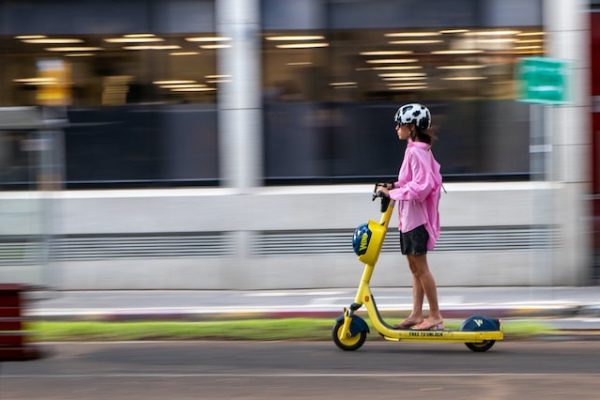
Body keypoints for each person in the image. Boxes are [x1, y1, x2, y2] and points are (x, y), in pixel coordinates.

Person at [375, 103, 444, 331]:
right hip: (408, 219)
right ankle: (416, 314)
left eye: (400, 124)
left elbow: (422, 186)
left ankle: (434, 315)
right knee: (414, 269)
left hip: (417, 221)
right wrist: (391, 185)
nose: (396, 127)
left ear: (412, 127)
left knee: (421, 268)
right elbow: (407, 181)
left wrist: (392, 193)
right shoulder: (412, 148)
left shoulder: (418, 151)